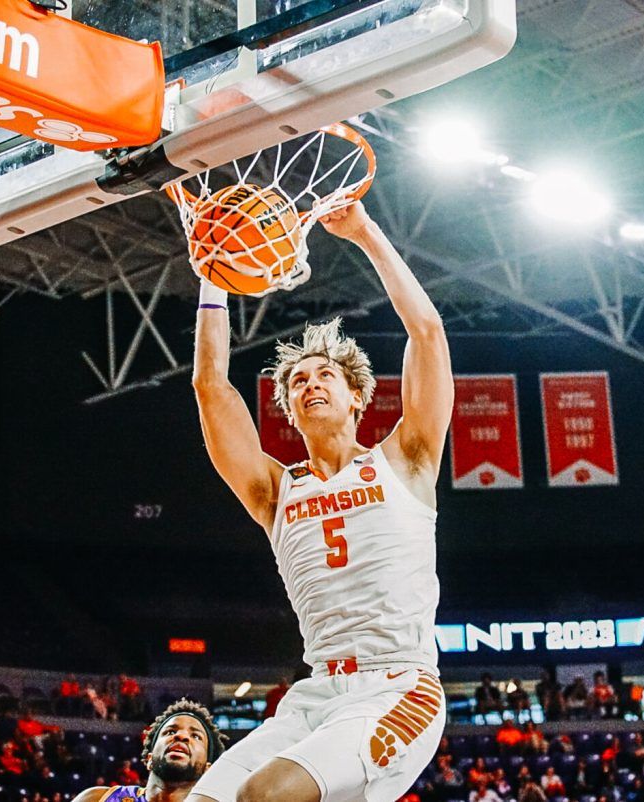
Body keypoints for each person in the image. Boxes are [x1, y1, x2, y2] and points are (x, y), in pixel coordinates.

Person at [187, 200, 453, 802]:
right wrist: (213, 274)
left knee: (264, 795)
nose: (310, 384)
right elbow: (210, 385)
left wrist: (364, 232)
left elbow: (428, 334)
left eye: (323, 375)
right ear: (288, 410)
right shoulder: (274, 490)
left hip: (397, 686)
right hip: (317, 694)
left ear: (358, 397)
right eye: (298, 381)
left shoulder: (405, 457)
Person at [71, 700, 225, 802]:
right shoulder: (97, 799)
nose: (181, 736)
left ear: (208, 769)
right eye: (170, 732)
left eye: (196, 736)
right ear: (149, 758)